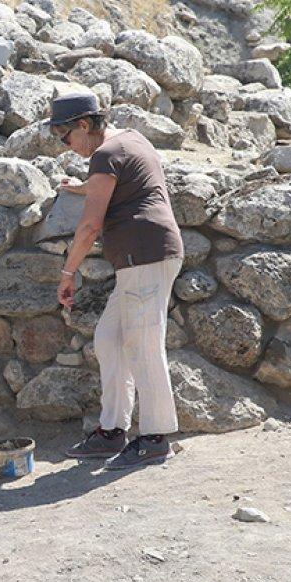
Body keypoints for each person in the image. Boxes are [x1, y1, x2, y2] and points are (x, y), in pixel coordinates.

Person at [48, 93, 184, 469]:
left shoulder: (105, 155)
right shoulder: (130, 141)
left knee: (143, 345)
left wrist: (68, 272)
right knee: (109, 339)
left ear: (84, 125)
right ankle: (112, 431)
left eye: (65, 136)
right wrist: (79, 187)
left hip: (145, 256)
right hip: (140, 258)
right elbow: (111, 188)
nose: (66, 146)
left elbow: (90, 225)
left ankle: (155, 438)